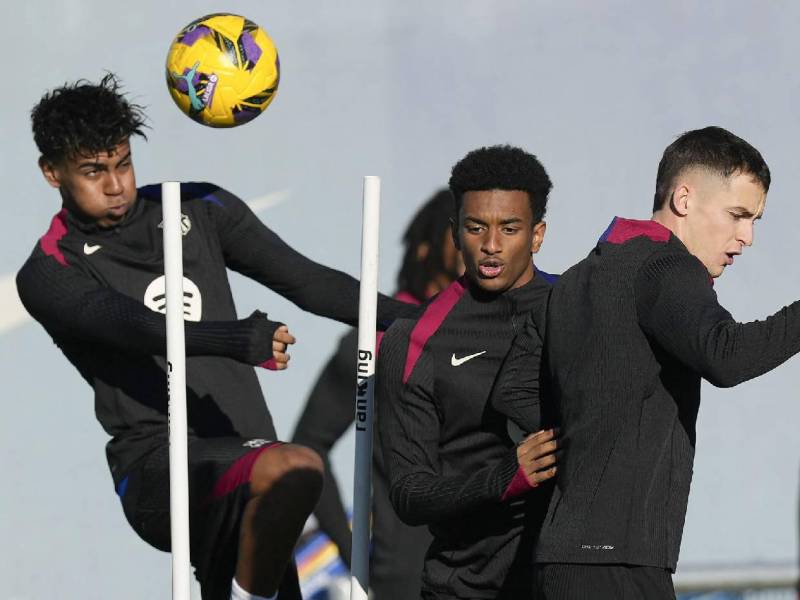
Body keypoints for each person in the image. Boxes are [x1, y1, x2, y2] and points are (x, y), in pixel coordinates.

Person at [16, 74, 414, 600]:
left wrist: (424, 320)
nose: (115, 185)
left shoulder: (198, 207)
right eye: (93, 172)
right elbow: (129, 325)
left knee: (285, 475)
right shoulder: (47, 269)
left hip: (256, 464)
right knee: (297, 463)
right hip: (161, 465)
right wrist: (235, 338)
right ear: (52, 172)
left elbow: (307, 281)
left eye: (122, 164)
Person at [495, 126, 800, 599]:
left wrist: (586, 440)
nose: (748, 237)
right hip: (616, 561)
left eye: (755, 220)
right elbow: (726, 354)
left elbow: (512, 391)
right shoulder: (666, 265)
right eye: (738, 215)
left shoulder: (577, 279)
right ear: (684, 198)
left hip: (561, 559)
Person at [377, 145, 560, 599]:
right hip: (466, 586)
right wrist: (503, 478)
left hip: (566, 581)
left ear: (537, 235)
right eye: (476, 228)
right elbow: (410, 492)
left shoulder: (580, 309)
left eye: (509, 228)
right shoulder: (415, 339)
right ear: (455, 233)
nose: (491, 245)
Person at [291, 189, 462, 599]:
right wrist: (353, 554)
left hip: (494, 568)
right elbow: (307, 447)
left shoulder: (507, 331)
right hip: (406, 577)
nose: (484, 241)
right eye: (465, 228)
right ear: (426, 250)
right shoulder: (376, 342)